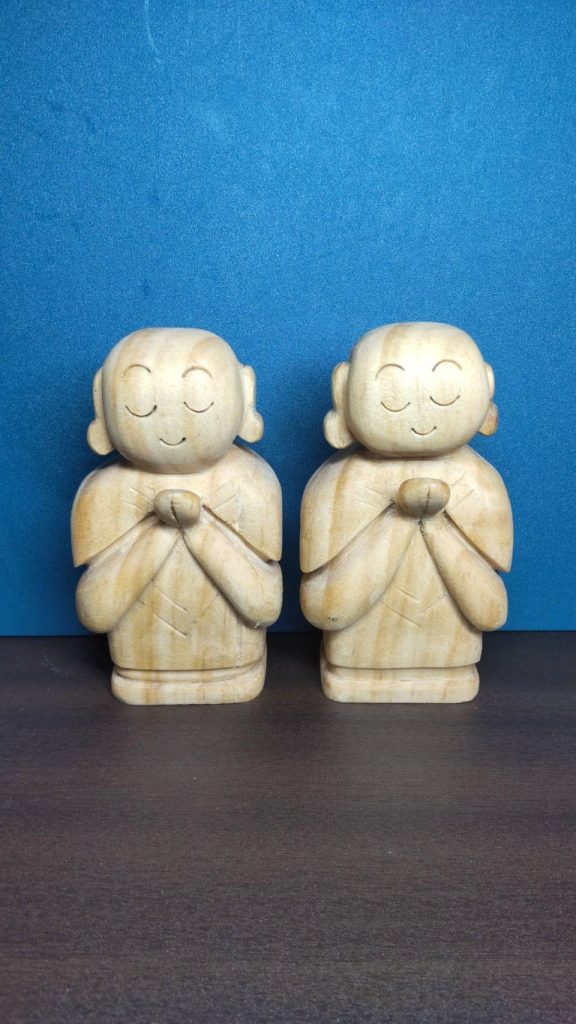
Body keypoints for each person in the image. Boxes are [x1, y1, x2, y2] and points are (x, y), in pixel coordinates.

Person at [300, 322, 513, 702]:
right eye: (393, 395)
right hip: (354, 662)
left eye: (445, 391)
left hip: (451, 661)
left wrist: (433, 526)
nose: (420, 411)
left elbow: (491, 613)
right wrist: (402, 521)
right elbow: (324, 610)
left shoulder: (481, 485)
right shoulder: (337, 485)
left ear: (486, 387)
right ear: (343, 392)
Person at [72, 328, 282, 704]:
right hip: (139, 665)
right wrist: (161, 532)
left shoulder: (252, 483)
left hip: (235, 661)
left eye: (198, 400)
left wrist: (199, 531)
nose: (171, 421)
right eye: (141, 402)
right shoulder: (102, 492)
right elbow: (96, 612)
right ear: (102, 406)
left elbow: (265, 606)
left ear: (245, 395)